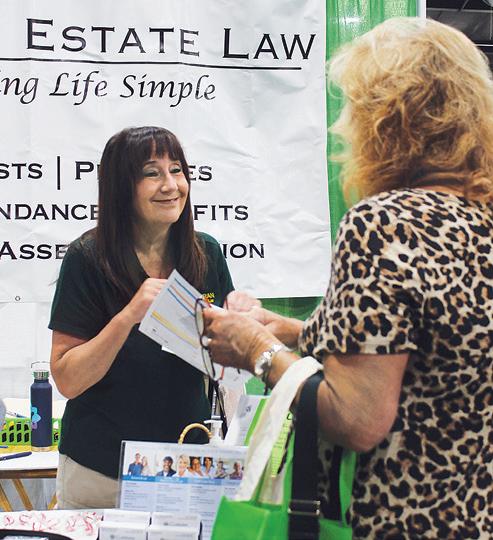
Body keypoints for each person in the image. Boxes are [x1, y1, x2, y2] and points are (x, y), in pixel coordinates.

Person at [204, 17, 493, 539]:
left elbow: (358, 418)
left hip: (394, 521)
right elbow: (435, 351)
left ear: (385, 119)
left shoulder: (384, 223)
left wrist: (256, 349)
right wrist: (299, 332)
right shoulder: (480, 220)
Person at [49, 126, 257, 509]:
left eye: (177, 170)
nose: (171, 185)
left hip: (187, 466)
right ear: (121, 187)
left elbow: (229, 360)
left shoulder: (206, 253)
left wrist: (244, 322)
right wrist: (127, 316)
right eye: (152, 173)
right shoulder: (87, 259)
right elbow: (67, 380)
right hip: (101, 471)